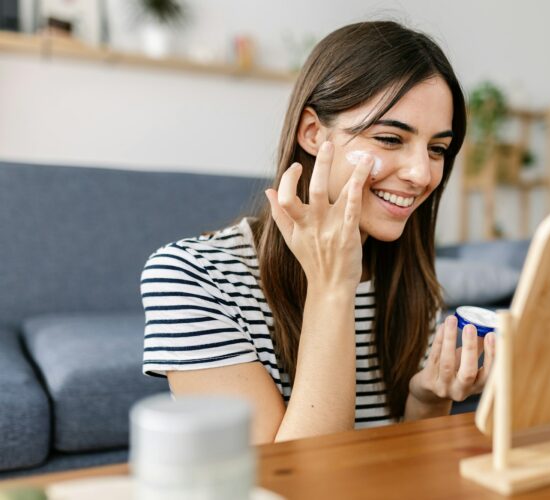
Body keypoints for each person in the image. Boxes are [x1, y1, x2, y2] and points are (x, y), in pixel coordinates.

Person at [141, 20, 495, 444]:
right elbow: (291, 481)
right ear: (312, 133)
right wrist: (332, 286)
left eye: (437, 149)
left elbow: (404, 469)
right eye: (389, 138)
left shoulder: (408, 276)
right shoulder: (192, 276)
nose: (422, 174)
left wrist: (427, 397)